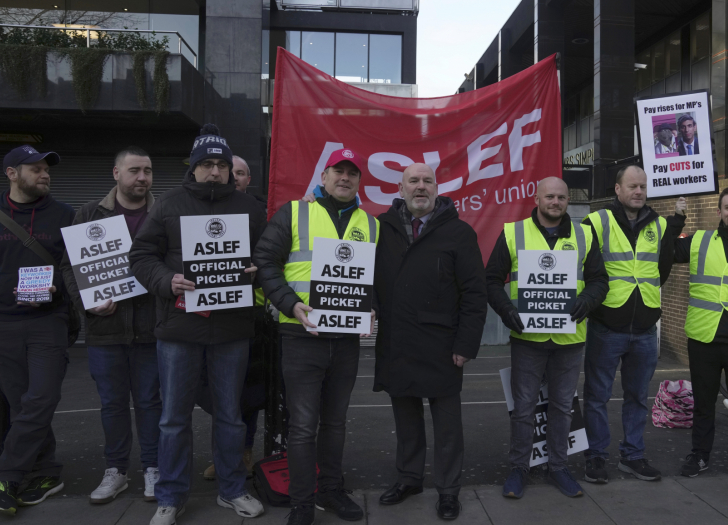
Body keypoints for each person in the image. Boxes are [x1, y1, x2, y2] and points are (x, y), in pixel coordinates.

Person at [130, 124, 267, 524]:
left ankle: (232, 489)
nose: (214, 171)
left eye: (221, 165)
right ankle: (171, 497)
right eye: (206, 164)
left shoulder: (250, 208)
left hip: (232, 329)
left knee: (230, 416)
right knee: (174, 419)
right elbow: (141, 256)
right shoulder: (168, 204)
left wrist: (258, 269)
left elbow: (268, 255)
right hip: (179, 328)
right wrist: (165, 280)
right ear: (193, 167)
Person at [254, 148, 378, 525]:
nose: (345, 178)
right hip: (300, 336)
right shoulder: (294, 211)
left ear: (359, 181)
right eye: (338, 171)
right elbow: (265, 262)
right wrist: (290, 304)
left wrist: (373, 306)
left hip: (345, 340)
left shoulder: (372, 224)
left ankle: (330, 491)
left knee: (336, 422)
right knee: (304, 426)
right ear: (323, 177)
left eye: (352, 173)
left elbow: (377, 278)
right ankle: (302, 503)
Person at [371, 163, 487, 520]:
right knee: (406, 419)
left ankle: (448, 490)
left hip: (443, 345)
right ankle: (409, 478)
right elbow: (364, 277)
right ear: (400, 188)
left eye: (427, 181)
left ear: (437, 188)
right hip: (397, 341)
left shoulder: (459, 232)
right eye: (413, 181)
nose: (421, 187)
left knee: (448, 426)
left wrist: (466, 345)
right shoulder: (380, 228)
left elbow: (474, 294)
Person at [486, 177, 608, 499]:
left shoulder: (584, 234)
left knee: (562, 408)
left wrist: (587, 300)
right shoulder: (513, 233)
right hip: (528, 338)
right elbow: (491, 280)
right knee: (524, 408)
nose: (556, 202)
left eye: (561, 197)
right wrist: (506, 310)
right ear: (537, 199)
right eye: (550, 196)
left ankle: (558, 467)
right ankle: (519, 468)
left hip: (570, 339)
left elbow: (600, 281)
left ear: (568, 200)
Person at [0, 145, 75, 514]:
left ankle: (4, 475)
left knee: (42, 399)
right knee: (21, 404)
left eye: (47, 169)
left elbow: (75, 270)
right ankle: (46, 471)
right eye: (35, 169)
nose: (45, 174)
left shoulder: (66, 215)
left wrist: (56, 290)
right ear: (12, 174)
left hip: (47, 322)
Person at [60, 146, 162, 504]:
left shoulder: (162, 212)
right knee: (112, 405)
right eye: (134, 170)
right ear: (116, 173)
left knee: (150, 403)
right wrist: (87, 305)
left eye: (147, 170)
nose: (142, 177)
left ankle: (153, 468)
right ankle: (115, 470)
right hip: (105, 331)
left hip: (152, 329)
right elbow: (69, 267)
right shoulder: (89, 213)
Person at [580, 165, 686, 483]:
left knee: (638, 398)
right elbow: (583, 266)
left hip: (644, 328)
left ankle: (633, 456)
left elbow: (662, 268)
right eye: (632, 186)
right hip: (606, 325)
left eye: (642, 186)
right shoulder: (597, 221)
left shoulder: (659, 224)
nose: (639, 191)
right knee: (597, 397)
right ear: (617, 189)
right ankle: (596, 456)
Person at [673, 186, 728, 483]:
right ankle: (699, 455)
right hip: (704, 336)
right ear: (719, 211)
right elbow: (664, 251)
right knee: (703, 403)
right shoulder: (699, 240)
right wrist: (678, 218)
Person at [201, 153, 268, 482]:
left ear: (248, 179)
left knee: (249, 393)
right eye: (233, 172)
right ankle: (223, 454)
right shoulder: (204, 210)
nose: (236, 177)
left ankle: (244, 452)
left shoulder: (261, 213)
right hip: (209, 313)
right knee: (218, 393)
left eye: (241, 173)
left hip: (252, 314)